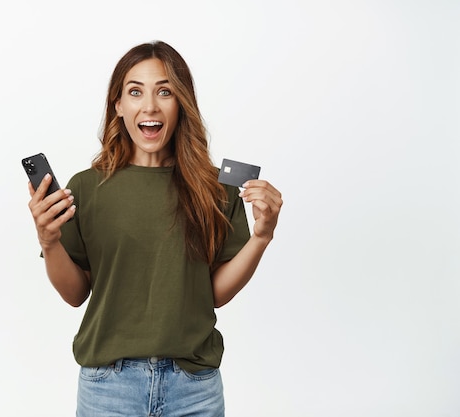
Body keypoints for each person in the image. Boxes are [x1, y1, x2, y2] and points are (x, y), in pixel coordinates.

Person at [27, 40, 283, 417]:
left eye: (164, 91)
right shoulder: (84, 187)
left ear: (181, 102)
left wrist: (262, 237)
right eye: (135, 92)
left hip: (194, 387)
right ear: (118, 105)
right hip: (108, 388)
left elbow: (213, 294)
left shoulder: (217, 189)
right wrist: (49, 242)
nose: (149, 106)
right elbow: (75, 294)